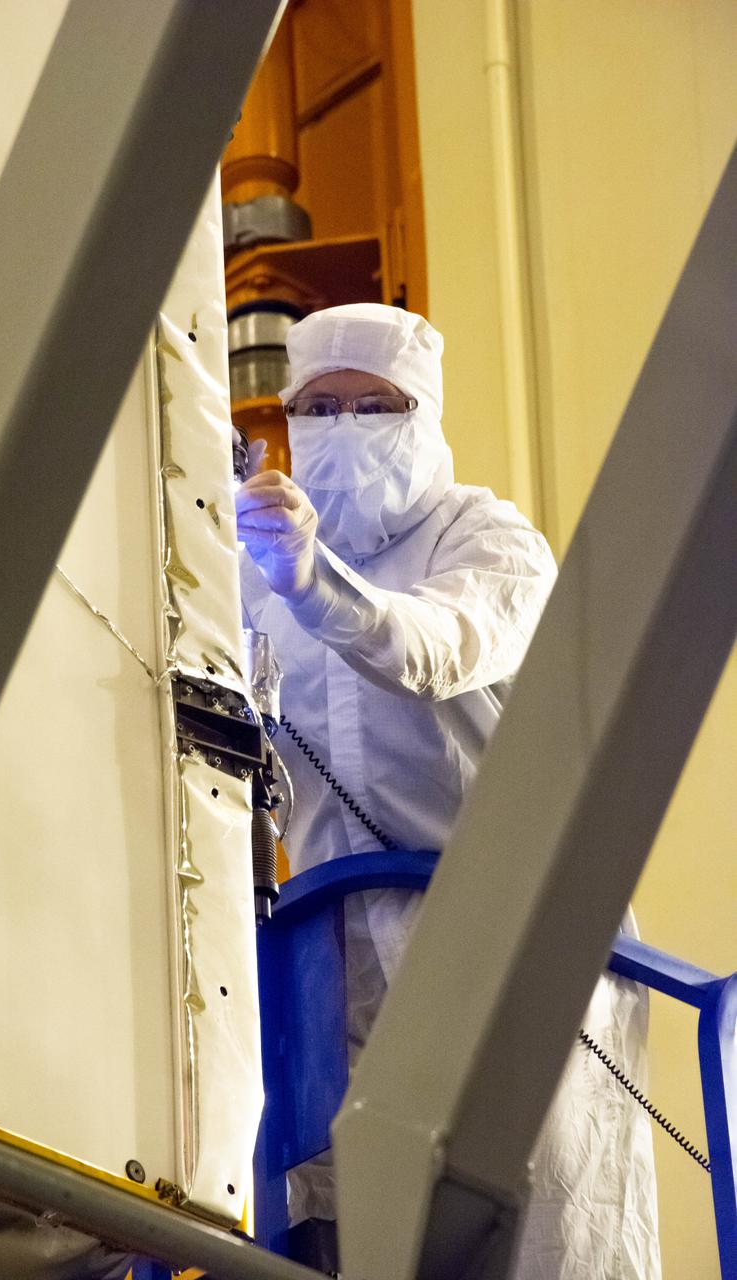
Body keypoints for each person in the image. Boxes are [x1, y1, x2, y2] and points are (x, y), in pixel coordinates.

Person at [235, 303, 660, 1279]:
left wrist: (314, 583)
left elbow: (432, 648)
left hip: (506, 939)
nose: (342, 427)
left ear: (423, 411)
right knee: (350, 1237)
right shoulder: (255, 573)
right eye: (320, 406)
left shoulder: (491, 541)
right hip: (329, 958)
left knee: (532, 1229)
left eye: (371, 405)